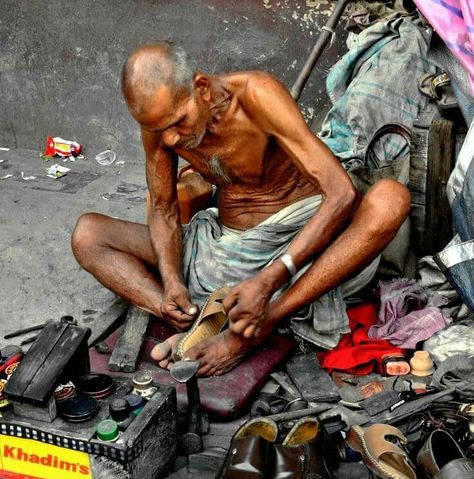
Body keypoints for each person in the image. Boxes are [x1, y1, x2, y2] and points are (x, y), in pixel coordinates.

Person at [72, 41, 410, 377]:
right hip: (221, 250)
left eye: (178, 122)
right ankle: (190, 318)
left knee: (391, 199)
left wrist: (269, 279)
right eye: (159, 129)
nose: (171, 139)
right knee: (89, 235)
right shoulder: (159, 127)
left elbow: (341, 194)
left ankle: (261, 325)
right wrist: (172, 281)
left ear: (202, 88)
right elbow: (163, 209)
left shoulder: (256, 95)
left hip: (301, 252)